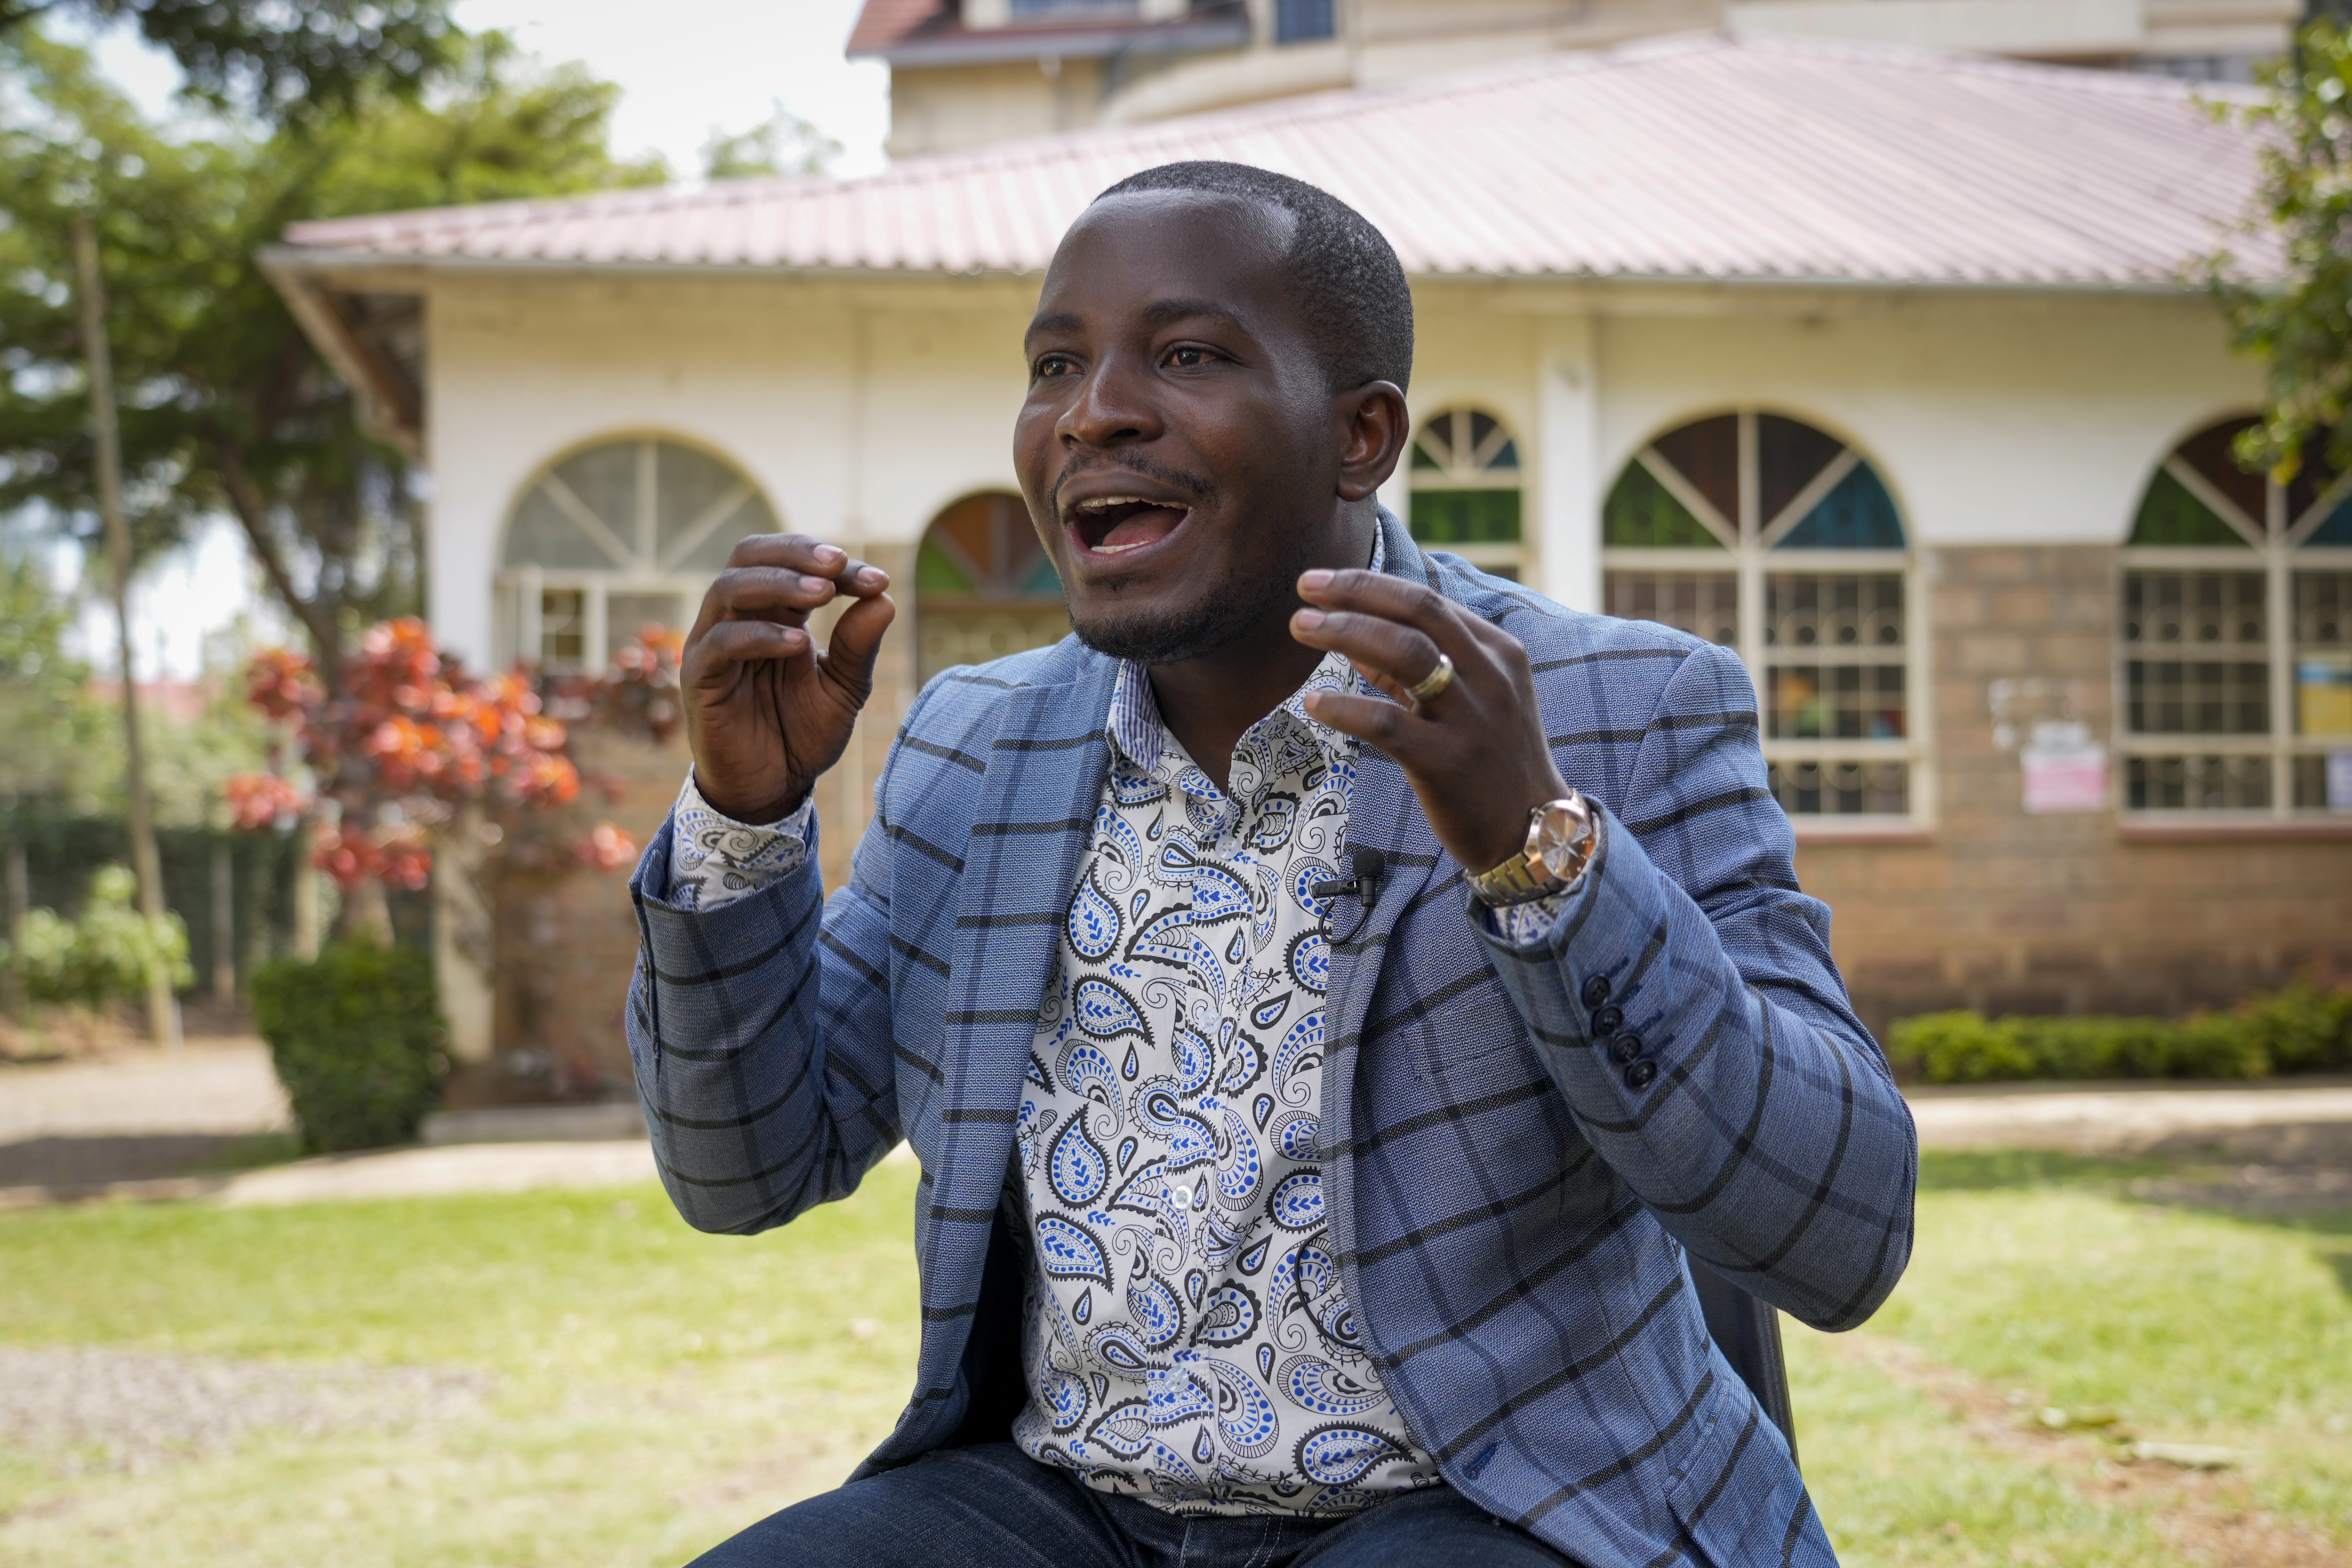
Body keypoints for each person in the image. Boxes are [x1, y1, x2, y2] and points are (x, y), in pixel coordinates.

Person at [628, 160, 1916, 1568]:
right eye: (1055, 364)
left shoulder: (1618, 708)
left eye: (1184, 355)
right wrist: (740, 823)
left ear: (1359, 435)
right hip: (1066, 1504)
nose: (1092, 410)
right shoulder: (972, 743)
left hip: (1485, 1499)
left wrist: (1539, 859)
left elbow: (1839, 1234)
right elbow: (743, 1170)